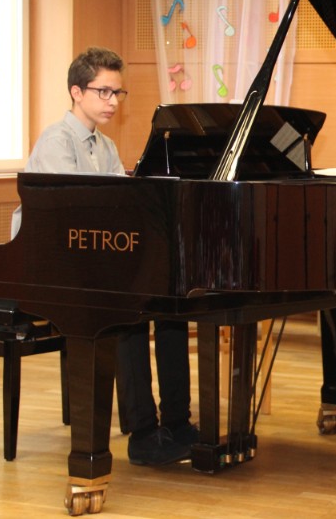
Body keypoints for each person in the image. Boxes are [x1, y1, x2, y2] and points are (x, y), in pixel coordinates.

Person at [11, 46, 197, 465]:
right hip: (53, 263)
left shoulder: (106, 146)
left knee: (172, 308)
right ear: (77, 92)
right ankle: (143, 434)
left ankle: (178, 422)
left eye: (118, 93)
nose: (113, 101)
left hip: (96, 256)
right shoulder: (56, 142)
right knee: (126, 315)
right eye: (104, 92)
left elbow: (121, 208)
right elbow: (69, 215)